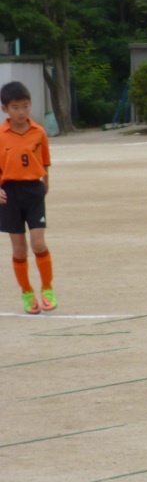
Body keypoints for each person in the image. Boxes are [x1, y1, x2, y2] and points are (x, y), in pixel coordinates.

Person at [0, 82, 55, 315]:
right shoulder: (1, 135)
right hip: (9, 194)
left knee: (38, 243)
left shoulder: (38, 132)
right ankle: (27, 292)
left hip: (33, 191)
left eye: (25, 106)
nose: (22, 112)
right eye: (16, 107)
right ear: (5, 109)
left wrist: (45, 182)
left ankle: (47, 288)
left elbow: (44, 161)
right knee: (19, 249)